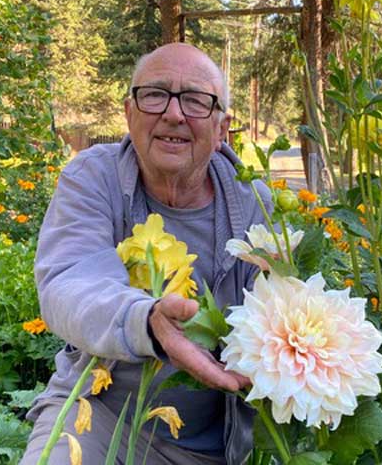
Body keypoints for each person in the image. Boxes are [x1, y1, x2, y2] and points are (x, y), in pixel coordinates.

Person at [20, 43, 271, 465]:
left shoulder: (256, 205)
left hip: (214, 445)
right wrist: (148, 322)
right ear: (129, 112)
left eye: (195, 100)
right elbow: (67, 281)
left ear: (222, 126)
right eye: (155, 94)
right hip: (96, 415)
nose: (173, 114)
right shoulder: (92, 177)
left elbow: (279, 320)